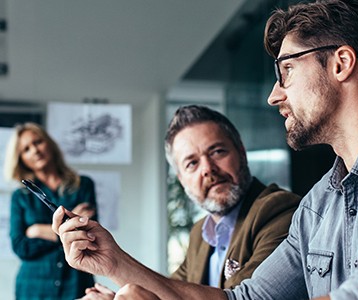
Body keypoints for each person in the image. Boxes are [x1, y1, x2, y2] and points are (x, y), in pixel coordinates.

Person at [53, 0, 358, 299]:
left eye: (285, 71)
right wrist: (114, 262)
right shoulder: (320, 204)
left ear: (341, 63)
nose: (274, 95)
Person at [75, 105, 301, 299]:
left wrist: (115, 263)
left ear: (241, 151)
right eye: (192, 164)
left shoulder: (279, 210)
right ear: (181, 179)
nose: (208, 169)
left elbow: (242, 298)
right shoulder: (200, 233)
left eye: (217, 152)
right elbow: (168, 292)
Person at [4, 122, 98, 300]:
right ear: (21, 159)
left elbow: (88, 234)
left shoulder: (83, 185)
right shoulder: (20, 196)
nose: (35, 151)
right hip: (33, 287)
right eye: (26, 149)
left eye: (38, 142)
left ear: (49, 143)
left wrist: (37, 230)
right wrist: (66, 230)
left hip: (76, 283)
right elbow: (20, 246)